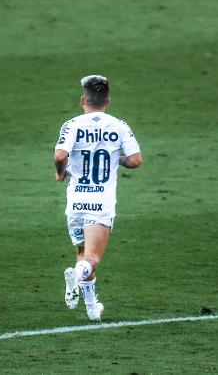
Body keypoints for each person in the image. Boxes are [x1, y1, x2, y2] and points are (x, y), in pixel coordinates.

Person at [54, 75, 142, 321]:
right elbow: (135, 160)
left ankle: (93, 309)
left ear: (82, 100)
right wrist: (118, 159)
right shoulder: (119, 125)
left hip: (76, 202)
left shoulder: (71, 125)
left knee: (83, 253)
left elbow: (60, 156)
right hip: (100, 205)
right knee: (91, 259)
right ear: (108, 101)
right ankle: (76, 276)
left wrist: (60, 174)